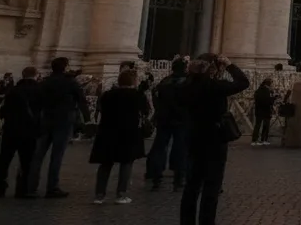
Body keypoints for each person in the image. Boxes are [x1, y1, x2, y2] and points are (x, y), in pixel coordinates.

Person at [179, 54, 250, 225]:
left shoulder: (185, 87)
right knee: (212, 185)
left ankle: (186, 222)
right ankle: (206, 221)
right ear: (212, 69)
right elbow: (243, 82)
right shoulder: (215, 87)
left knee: (192, 185)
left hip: (194, 136)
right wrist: (230, 65)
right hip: (214, 138)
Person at [26, 56, 88, 198]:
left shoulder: (45, 82)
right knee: (56, 156)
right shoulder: (70, 82)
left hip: (46, 119)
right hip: (64, 121)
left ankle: (31, 187)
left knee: (38, 155)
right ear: (65, 67)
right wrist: (87, 119)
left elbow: (36, 101)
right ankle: (52, 187)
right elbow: (81, 100)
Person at [90, 68, 149, 204]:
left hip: (108, 131)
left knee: (105, 163)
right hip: (129, 132)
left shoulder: (108, 94)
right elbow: (146, 111)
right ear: (134, 81)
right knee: (126, 163)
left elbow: (102, 109)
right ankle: (121, 194)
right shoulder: (137, 95)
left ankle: (99, 195)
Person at [0, 66, 40, 199]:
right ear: (36, 75)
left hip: (11, 130)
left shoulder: (13, 90)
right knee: (27, 162)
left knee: (4, 160)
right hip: (29, 131)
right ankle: (23, 189)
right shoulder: (39, 90)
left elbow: (4, 110)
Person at [146, 58, 190, 191]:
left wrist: (159, 111)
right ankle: (178, 178)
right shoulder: (188, 83)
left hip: (164, 119)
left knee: (160, 147)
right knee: (180, 148)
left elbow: (156, 98)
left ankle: (156, 177)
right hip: (181, 120)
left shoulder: (164, 82)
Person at [252, 78, 275, 147]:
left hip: (259, 110)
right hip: (265, 110)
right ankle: (263, 140)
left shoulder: (259, 90)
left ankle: (254, 140)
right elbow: (267, 101)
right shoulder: (267, 91)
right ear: (269, 84)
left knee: (257, 125)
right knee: (265, 126)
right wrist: (274, 98)